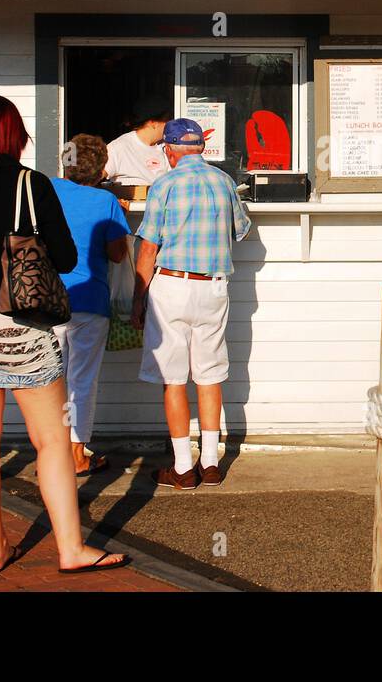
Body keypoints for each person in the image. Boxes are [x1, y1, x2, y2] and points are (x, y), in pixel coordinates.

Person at [0, 95, 129, 574]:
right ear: (15, 134)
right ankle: (71, 550)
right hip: (21, 328)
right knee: (53, 441)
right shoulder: (30, 184)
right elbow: (65, 258)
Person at [130, 118, 252, 489]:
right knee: (209, 375)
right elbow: (240, 229)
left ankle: (183, 467)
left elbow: (149, 246)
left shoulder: (164, 184)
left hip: (172, 285)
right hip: (213, 287)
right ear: (200, 147)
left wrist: (137, 300)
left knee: (173, 379)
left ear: (169, 150)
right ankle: (211, 463)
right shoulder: (225, 182)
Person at [52, 134, 131, 476]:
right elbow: (117, 254)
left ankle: (51, 453)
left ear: (65, 163)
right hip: (89, 302)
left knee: (50, 381)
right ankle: (76, 453)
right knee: (81, 381)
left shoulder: (47, 191)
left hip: (46, 300)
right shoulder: (105, 202)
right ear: (100, 170)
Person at [105, 97, 173, 189]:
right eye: (168, 120)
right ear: (153, 122)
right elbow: (95, 175)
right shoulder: (119, 146)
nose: (171, 124)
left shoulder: (166, 146)